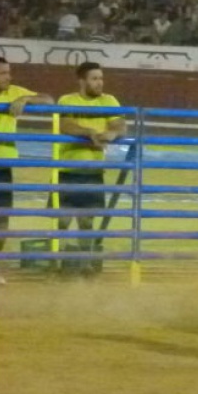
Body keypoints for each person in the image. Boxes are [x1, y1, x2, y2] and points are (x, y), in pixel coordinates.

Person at [51, 62, 126, 267]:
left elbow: (120, 125)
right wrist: (89, 133)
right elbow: (65, 124)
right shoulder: (67, 99)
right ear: (82, 81)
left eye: (101, 78)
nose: (99, 82)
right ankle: (58, 263)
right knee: (62, 221)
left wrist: (113, 133)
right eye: (94, 78)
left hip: (93, 171)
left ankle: (85, 265)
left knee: (87, 222)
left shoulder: (109, 100)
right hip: (66, 170)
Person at [0, 56, 53, 285]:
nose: (8, 77)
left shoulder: (13, 91)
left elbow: (50, 100)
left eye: (8, 73)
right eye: (2, 73)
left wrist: (26, 97)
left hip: (3, 165)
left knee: (2, 220)